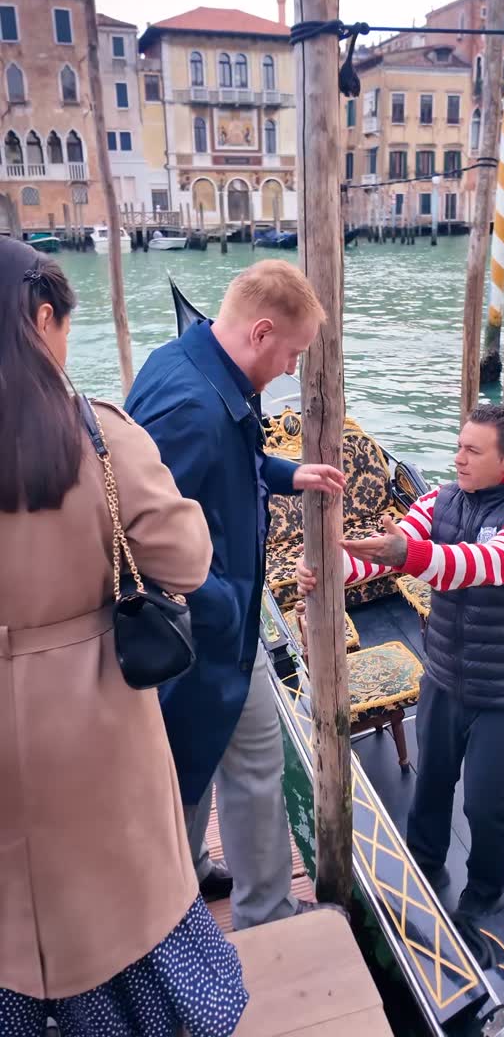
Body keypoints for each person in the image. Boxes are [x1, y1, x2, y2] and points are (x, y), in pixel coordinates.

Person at [0, 238, 248, 1037]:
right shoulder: (93, 433)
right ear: (42, 318)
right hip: (93, 730)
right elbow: (185, 557)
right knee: (122, 916)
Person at [126, 259, 344, 929]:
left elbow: (231, 465)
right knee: (235, 764)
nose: (289, 369)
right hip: (205, 632)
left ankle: (192, 879)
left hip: (214, 623)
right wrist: (223, 606)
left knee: (196, 759)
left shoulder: (188, 363)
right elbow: (144, 534)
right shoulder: (192, 408)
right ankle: (261, 910)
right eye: (292, 353)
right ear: (260, 332)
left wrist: (286, 473)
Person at [297, 403, 504, 918]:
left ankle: (485, 894)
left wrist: (405, 556)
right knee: (431, 783)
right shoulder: (439, 501)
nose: (457, 458)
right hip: (443, 675)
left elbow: (482, 565)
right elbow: (395, 549)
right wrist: (325, 570)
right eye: (459, 445)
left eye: (472, 451)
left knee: (487, 805)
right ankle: (424, 862)